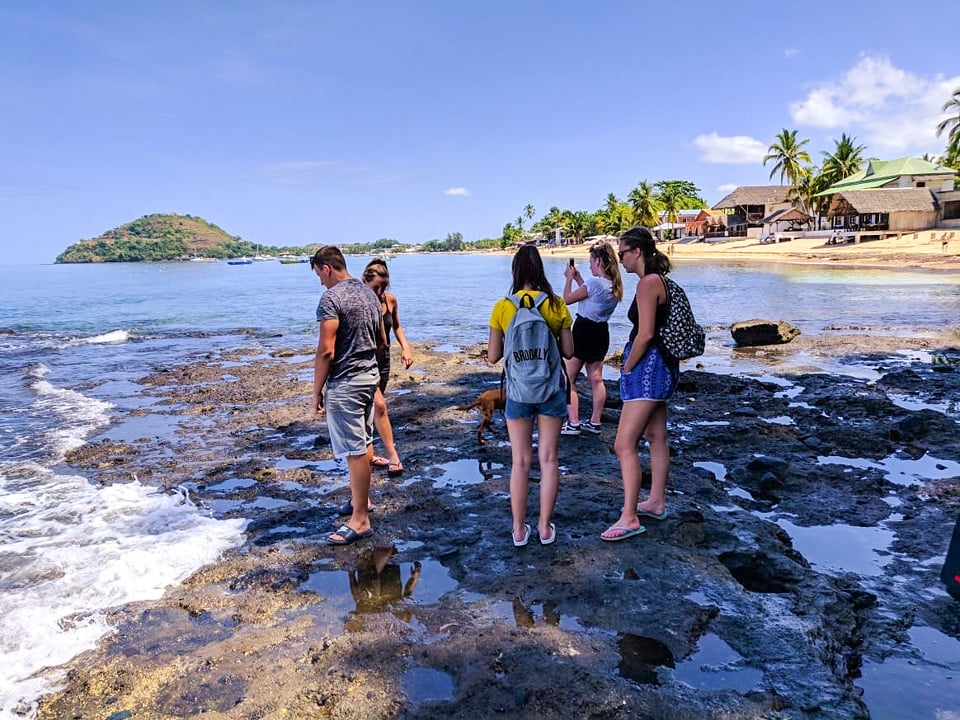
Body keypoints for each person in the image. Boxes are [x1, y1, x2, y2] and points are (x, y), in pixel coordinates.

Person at [487, 244, 574, 547]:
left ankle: (519, 530)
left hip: (518, 392)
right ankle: (545, 528)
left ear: (515, 271)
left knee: (520, 461)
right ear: (540, 270)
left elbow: (493, 356)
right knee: (549, 459)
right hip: (551, 389)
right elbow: (569, 351)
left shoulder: (503, 307)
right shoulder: (556, 304)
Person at [601, 227, 679, 542]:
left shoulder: (648, 284)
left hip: (647, 367)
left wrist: (626, 366)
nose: (620, 260)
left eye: (622, 254)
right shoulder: (661, 281)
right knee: (656, 437)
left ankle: (629, 517)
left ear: (637, 251)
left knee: (623, 444)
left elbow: (645, 333)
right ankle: (656, 501)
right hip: (664, 366)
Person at [310, 245, 384, 546]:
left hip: (347, 383)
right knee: (364, 442)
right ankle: (361, 502)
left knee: (355, 450)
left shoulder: (331, 298)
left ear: (326, 268)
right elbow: (380, 338)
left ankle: (360, 521)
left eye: (319, 275)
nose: (320, 282)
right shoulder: (368, 292)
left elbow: (326, 350)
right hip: (370, 376)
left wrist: (316, 390)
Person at [560, 242, 623, 435]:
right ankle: (595, 422)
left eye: (590, 262)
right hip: (600, 332)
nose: (589, 266)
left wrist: (569, 279)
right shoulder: (613, 285)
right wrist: (580, 280)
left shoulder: (594, 284)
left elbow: (567, 299)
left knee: (567, 378)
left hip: (583, 330)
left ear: (598, 261)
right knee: (596, 379)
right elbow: (591, 299)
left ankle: (573, 422)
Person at [362, 259, 414, 477]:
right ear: (364, 281)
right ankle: (392, 456)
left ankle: (369, 454)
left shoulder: (390, 300)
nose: (380, 291)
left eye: (384, 287)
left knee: (371, 409)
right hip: (365, 362)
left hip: (383, 361)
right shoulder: (361, 303)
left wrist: (406, 348)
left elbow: (397, 326)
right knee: (379, 406)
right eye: (376, 287)